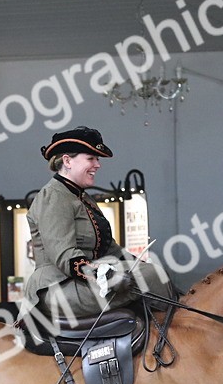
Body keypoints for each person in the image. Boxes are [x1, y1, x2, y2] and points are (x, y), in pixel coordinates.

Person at [20, 126, 172, 328]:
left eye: (97, 159)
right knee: (150, 278)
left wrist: (139, 264)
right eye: (91, 158)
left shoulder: (81, 197)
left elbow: (110, 249)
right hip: (58, 288)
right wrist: (104, 275)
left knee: (152, 272)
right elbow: (64, 256)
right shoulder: (54, 196)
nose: (97, 165)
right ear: (67, 161)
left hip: (83, 282)